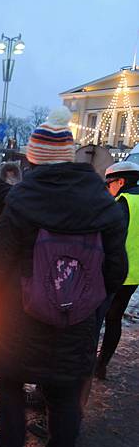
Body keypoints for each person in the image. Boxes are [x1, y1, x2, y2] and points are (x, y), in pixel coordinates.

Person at [0, 107, 128, 447]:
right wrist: (86, 301)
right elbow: (116, 270)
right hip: (75, 323)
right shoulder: (102, 201)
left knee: (10, 383)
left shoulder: (21, 199)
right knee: (65, 393)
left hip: (19, 319)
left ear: (33, 158)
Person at [95, 161, 139, 380]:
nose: (108, 189)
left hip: (114, 271)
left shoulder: (123, 203)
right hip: (134, 274)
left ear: (121, 181)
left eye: (109, 184)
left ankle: (86, 365)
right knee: (115, 319)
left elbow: (109, 238)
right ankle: (102, 364)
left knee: (96, 317)